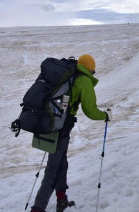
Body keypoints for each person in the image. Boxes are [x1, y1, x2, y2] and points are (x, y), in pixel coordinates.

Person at [31, 54, 111, 212]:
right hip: (61, 127)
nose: (93, 74)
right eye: (93, 71)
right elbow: (90, 111)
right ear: (90, 69)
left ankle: (61, 199)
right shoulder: (84, 80)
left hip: (51, 122)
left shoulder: (69, 75)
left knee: (61, 163)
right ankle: (37, 208)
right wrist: (106, 115)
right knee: (52, 170)